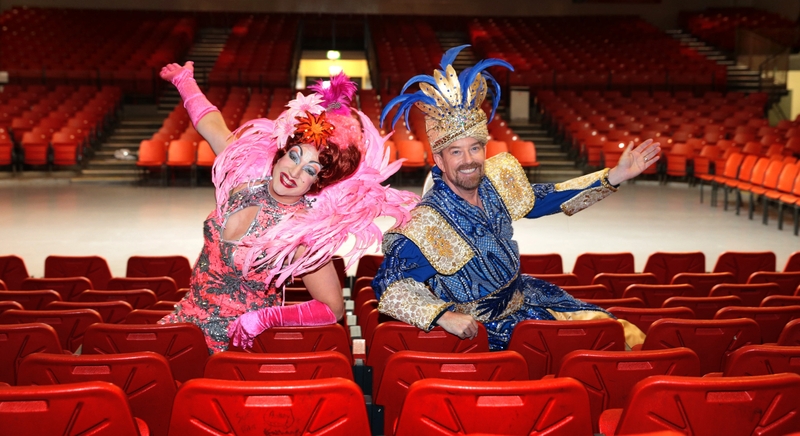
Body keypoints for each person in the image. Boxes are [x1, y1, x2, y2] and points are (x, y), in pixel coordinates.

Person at [372, 45, 659, 351]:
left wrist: (614, 175)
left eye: (475, 148)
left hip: (529, 298)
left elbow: (548, 197)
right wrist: (442, 315)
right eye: (456, 152)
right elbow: (389, 286)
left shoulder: (496, 184)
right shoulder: (424, 223)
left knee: (619, 333)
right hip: (488, 334)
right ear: (439, 160)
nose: (468, 159)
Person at [157, 62, 417, 353]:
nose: (294, 173)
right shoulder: (244, 174)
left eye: (310, 170)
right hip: (183, 325)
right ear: (280, 153)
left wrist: (265, 318)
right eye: (294, 156)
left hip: (239, 344)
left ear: (317, 183)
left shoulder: (304, 230)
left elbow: (332, 308)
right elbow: (210, 123)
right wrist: (184, 81)